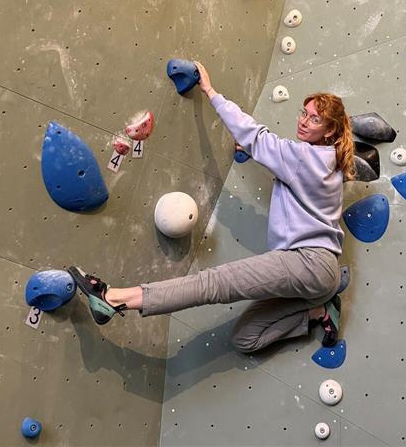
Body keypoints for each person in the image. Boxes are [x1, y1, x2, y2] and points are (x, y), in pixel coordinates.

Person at [68, 61, 357, 353]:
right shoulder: (327, 164)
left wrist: (210, 90)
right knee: (245, 339)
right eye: (303, 113)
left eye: (315, 119)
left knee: (213, 284)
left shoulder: (305, 158)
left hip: (307, 262)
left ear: (330, 131)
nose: (304, 122)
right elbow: (293, 176)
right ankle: (318, 312)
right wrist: (256, 154)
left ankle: (113, 299)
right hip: (320, 275)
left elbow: (255, 136)